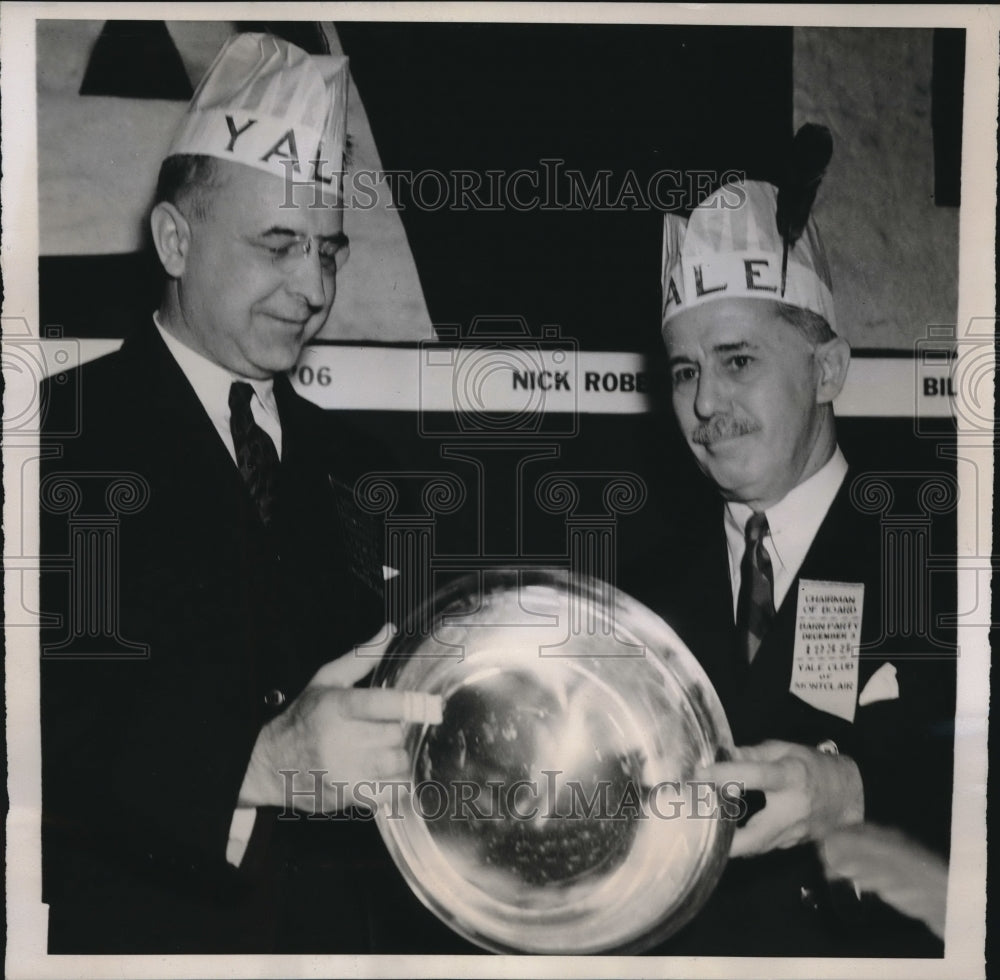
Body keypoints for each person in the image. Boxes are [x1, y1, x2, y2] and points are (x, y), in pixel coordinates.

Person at [38, 33, 445, 954]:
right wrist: (260, 763)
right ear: (175, 239)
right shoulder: (54, 442)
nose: (313, 289)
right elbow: (36, 724)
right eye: (279, 245)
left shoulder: (366, 470)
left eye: (329, 252)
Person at [633, 177, 956, 955]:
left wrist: (852, 790)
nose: (705, 403)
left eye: (737, 360)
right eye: (685, 371)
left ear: (829, 370)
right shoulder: (642, 595)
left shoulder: (942, 557)